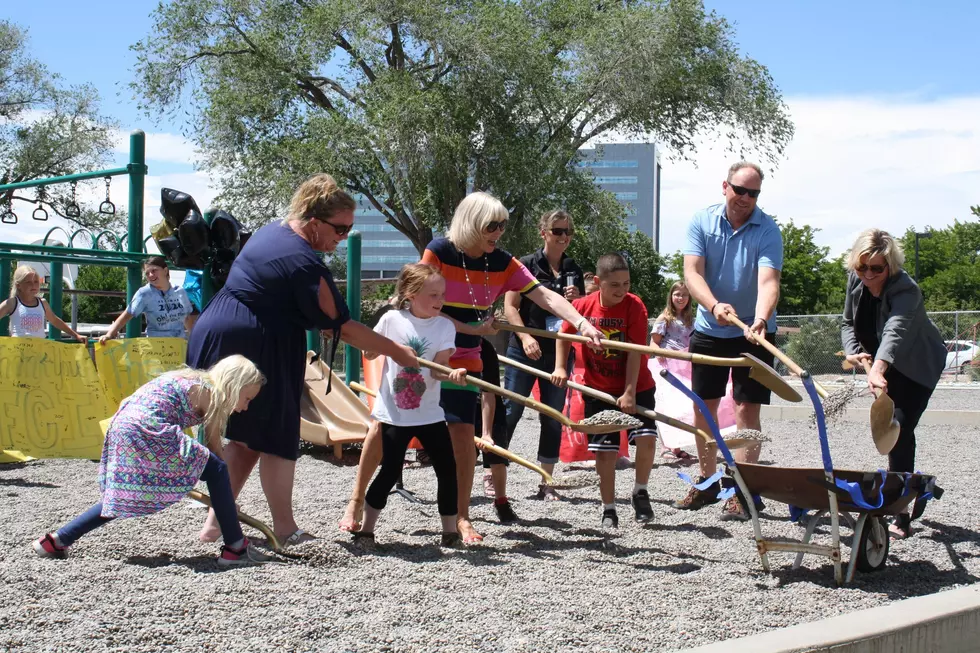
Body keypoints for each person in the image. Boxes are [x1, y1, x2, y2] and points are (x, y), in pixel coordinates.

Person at [339, 191, 602, 543]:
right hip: (421, 354)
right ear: (471, 223)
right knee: (383, 428)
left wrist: (583, 324)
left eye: (502, 226)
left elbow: (545, 295)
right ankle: (355, 502)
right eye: (491, 225)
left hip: (464, 360)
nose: (498, 232)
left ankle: (461, 517)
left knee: (464, 437)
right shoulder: (440, 251)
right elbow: (427, 302)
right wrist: (475, 329)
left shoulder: (503, 262)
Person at [188, 173, 417, 545]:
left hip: (223, 330)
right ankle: (285, 529)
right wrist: (397, 351)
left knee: (247, 439)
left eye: (348, 230)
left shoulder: (272, 232)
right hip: (256, 343)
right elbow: (338, 325)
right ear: (313, 223)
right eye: (339, 229)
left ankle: (216, 525)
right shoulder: (302, 261)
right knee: (277, 436)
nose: (342, 238)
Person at [32, 355, 271, 566]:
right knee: (217, 469)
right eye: (247, 398)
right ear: (233, 385)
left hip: (123, 426)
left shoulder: (189, 380)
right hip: (147, 429)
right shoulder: (208, 392)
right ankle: (235, 547)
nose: (246, 407)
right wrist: (224, 499)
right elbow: (214, 451)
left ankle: (56, 540)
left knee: (125, 493)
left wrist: (222, 500)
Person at [677, 161, 782, 521]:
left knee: (745, 408)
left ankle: (743, 489)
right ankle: (707, 482)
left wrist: (761, 319)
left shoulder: (767, 230)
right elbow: (692, 273)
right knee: (703, 407)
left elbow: (769, 282)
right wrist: (713, 304)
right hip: (709, 328)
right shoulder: (701, 221)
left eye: (753, 193)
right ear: (725, 187)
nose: (746, 198)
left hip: (753, 331)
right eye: (740, 190)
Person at [840, 229, 946, 539]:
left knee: (899, 427)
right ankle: (906, 487)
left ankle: (900, 509)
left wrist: (879, 369)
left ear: (891, 265)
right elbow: (848, 322)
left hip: (916, 367)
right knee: (893, 429)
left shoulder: (906, 289)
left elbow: (895, 332)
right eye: (862, 268)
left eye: (877, 268)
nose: (869, 275)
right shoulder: (856, 279)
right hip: (881, 364)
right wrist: (852, 352)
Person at [356, 264, 468, 547]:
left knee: (446, 469)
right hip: (395, 414)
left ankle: (449, 532)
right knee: (390, 469)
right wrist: (385, 347)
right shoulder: (392, 319)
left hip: (430, 412)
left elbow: (438, 369)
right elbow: (368, 352)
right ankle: (367, 530)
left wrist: (452, 373)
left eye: (442, 294)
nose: (439, 301)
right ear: (410, 294)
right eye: (432, 295)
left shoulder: (444, 326)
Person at [551, 253, 657, 530]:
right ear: (598, 282)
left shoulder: (635, 307)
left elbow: (635, 353)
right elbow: (563, 335)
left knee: (646, 439)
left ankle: (640, 491)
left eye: (626, 283)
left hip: (638, 384)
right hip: (597, 390)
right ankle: (608, 508)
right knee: (605, 452)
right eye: (614, 286)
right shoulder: (582, 306)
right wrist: (561, 367)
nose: (622, 291)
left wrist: (630, 392)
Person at [500, 210, 585, 502]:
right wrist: (525, 337)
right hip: (525, 348)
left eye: (568, 232)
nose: (563, 237)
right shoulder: (524, 265)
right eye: (557, 231)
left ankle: (546, 482)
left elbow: (577, 315)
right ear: (544, 232)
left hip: (559, 353)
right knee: (511, 410)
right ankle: (493, 474)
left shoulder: (573, 267)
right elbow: (509, 307)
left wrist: (576, 300)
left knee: (552, 417)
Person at [650, 281, 696, 464]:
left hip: (685, 367)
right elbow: (653, 343)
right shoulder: (664, 319)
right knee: (666, 406)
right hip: (667, 367)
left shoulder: (690, 320)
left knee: (682, 406)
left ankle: (676, 446)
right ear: (671, 296)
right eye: (677, 294)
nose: (681, 298)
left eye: (684, 295)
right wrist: (661, 355)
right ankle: (666, 447)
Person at [99, 257, 194, 342]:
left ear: (165, 270)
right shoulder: (144, 293)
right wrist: (109, 334)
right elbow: (127, 315)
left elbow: (187, 318)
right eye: (147, 273)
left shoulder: (180, 291)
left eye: (154, 270)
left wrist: (195, 338)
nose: (151, 275)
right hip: (156, 346)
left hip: (179, 345)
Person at [0, 265, 86, 342]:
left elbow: (55, 320)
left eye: (36, 282)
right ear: (18, 285)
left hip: (39, 351)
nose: (33, 285)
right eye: (28, 282)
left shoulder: (42, 303)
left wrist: (76, 335)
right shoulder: (12, 303)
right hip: (19, 352)